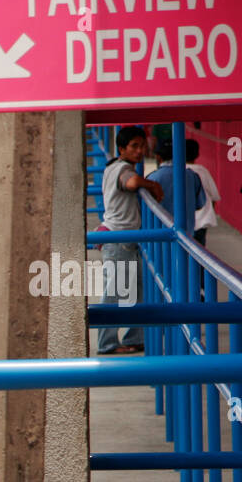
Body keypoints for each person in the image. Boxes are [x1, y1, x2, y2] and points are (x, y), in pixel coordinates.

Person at [98, 126, 163, 355]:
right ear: (121, 148)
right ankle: (107, 343)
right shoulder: (122, 168)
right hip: (119, 239)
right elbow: (132, 183)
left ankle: (134, 338)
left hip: (124, 238)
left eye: (142, 146)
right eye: (134, 146)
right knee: (114, 292)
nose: (139, 150)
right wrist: (152, 184)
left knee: (136, 290)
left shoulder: (112, 167)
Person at [147, 138, 206, 230]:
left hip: (158, 236)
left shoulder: (151, 179)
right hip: (186, 236)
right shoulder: (192, 176)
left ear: (158, 157)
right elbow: (200, 204)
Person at [185, 139, 221, 248]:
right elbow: (214, 196)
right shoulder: (203, 171)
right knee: (200, 252)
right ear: (197, 154)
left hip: (183, 221)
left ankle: (131, 266)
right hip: (201, 221)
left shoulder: (175, 172)